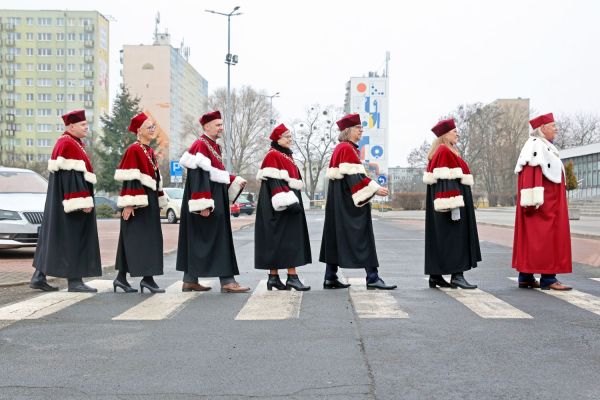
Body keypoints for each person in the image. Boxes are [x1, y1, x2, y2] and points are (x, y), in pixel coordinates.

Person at [319, 113, 396, 290]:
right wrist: (375, 187)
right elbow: (356, 178)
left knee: (336, 237)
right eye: (358, 127)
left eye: (361, 127)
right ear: (348, 131)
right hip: (349, 203)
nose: (361, 130)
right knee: (363, 237)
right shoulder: (347, 149)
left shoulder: (343, 148)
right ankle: (372, 277)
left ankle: (330, 277)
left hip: (340, 202)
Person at [176, 110, 250, 293]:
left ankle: (190, 280)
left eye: (221, 124)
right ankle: (228, 282)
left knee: (199, 241)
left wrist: (233, 180)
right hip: (207, 202)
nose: (221, 128)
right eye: (218, 125)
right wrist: (204, 205)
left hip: (211, 200)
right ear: (207, 126)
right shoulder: (201, 145)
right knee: (219, 240)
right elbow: (199, 176)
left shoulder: (212, 146)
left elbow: (215, 174)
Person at [30, 110, 102, 292]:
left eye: (87, 124)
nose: (87, 127)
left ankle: (39, 276)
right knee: (73, 237)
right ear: (71, 126)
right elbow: (71, 177)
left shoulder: (71, 143)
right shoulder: (68, 144)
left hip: (61, 202)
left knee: (54, 237)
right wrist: (82, 202)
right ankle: (75, 281)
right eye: (83, 125)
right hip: (71, 203)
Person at [512, 113, 572, 290]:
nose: (556, 128)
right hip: (544, 205)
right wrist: (533, 202)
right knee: (545, 240)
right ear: (543, 128)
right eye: (553, 125)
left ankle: (526, 276)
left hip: (546, 203)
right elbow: (532, 174)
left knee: (531, 239)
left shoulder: (542, 146)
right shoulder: (537, 146)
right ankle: (548, 278)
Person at [423, 118, 480, 289]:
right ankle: (457, 275)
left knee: (441, 238)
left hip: (446, 205)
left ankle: (436, 276)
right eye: (455, 131)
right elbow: (447, 182)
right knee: (456, 237)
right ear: (445, 134)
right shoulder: (444, 152)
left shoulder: (443, 151)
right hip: (452, 205)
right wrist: (454, 207)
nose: (457, 134)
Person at [113, 112, 167, 293]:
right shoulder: (134, 150)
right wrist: (129, 203)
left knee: (135, 240)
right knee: (141, 241)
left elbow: (154, 179)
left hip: (148, 202)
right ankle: (147, 279)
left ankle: (121, 278)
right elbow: (130, 178)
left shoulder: (149, 151)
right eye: (149, 127)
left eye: (153, 127)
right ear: (139, 130)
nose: (153, 130)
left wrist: (159, 200)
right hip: (138, 203)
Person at [255, 123, 311, 291]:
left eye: (290, 136)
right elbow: (275, 181)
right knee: (288, 239)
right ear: (278, 139)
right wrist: (288, 201)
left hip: (283, 202)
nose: (290, 139)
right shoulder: (273, 155)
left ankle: (273, 277)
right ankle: (292, 277)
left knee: (277, 239)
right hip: (280, 204)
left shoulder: (284, 155)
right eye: (287, 136)